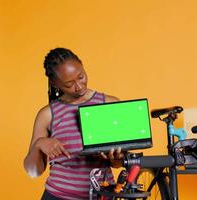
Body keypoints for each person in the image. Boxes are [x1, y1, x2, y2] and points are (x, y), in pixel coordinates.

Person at [24, 47, 123, 200]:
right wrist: (39, 144)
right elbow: (33, 171)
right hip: (58, 196)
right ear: (55, 83)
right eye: (69, 84)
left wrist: (115, 157)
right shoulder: (48, 114)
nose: (79, 86)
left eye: (81, 76)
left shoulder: (109, 104)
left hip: (102, 195)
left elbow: (117, 164)